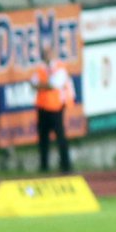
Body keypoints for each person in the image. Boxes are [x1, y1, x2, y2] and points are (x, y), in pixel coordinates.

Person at [33, 39, 74, 174]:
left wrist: (42, 85)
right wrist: (44, 85)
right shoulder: (40, 68)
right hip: (42, 107)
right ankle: (44, 166)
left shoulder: (59, 67)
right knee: (43, 138)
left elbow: (54, 84)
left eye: (48, 53)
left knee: (60, 137)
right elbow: (33, 83)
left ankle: (65, 165)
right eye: (44, 53)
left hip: (56, 108)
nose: (46, 55)